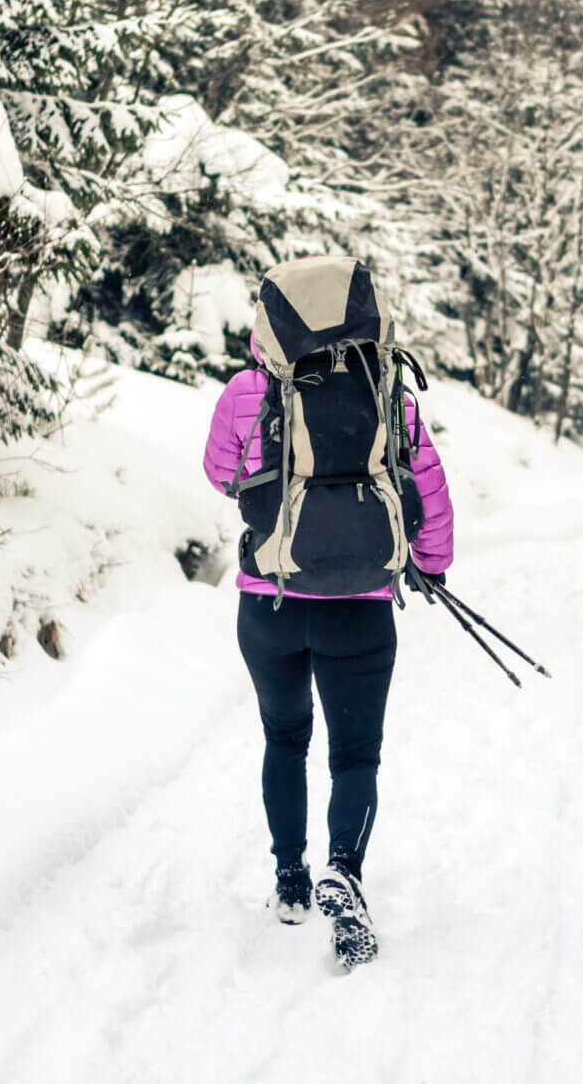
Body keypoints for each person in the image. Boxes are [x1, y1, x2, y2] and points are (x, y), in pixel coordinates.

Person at [201, 266, 454, 971]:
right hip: (361, 611)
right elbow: (425, 482)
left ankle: (290, 878)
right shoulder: (384, 390)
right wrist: (430, 562)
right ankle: (345, 869)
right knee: (355, 755)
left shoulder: (249, 391)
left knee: (284, 737)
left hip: (271, 601)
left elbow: (221, 473)